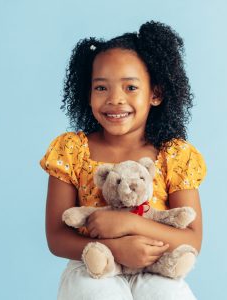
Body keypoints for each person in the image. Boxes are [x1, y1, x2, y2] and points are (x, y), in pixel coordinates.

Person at [40, 21, 206, 299]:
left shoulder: (174, 155)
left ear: (155, 94)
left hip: (157, 267)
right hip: (93, 266)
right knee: (95, 291)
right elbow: (56, 237)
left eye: (130, 87)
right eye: (101, 88)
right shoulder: (71, 150)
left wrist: (130, 224)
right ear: (88, 93)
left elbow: (192, 239)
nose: (115, 99)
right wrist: (115, 248)